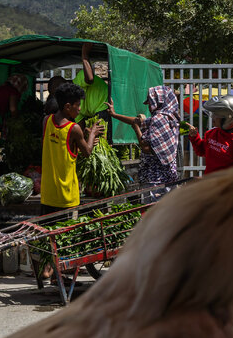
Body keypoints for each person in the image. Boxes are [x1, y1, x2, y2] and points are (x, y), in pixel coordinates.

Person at [40, 82, 102, 215]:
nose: (79, 109)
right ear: (68, 106)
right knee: (65, 230)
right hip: (66, 194)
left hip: (47, 192)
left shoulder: (46, 121)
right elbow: (87, 152)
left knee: (48, 230)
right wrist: (92, 134)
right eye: (78, 105)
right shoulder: (74, 128)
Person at [107, 85, 181, 189]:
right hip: (169, 178)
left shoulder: (159, 120)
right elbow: (137, 121)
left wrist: (136, 129)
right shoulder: (170, 117)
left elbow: (146, 149)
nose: (149, 106)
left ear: (158, 101)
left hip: (156, 179)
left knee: (153, 206)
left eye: (150, 103)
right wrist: (114, 115)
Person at [186, 95, 233, 175]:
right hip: (211, 183)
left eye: (216, 114)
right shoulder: (212, 133)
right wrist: (194, 137)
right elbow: (201, 151)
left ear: (229, 118)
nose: (212, 117)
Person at [71, 42, 110, 121]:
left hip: (104, 107)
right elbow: (80, 125)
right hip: (93, 113)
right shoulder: (73, 107)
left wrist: (85, 56)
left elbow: (90, 79)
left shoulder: (78, 79)